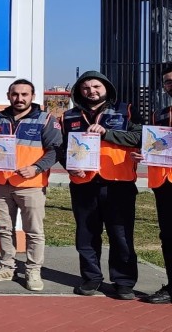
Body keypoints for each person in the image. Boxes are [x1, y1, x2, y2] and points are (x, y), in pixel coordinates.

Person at [0, 79, 62, 291]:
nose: (19, 98)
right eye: (15, 94)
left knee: (34, 231)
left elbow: (56, 150)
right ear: (8, 96)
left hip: (31, 183)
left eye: (24, 94)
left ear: (32, 96)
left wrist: (37, 168)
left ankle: (33, 270)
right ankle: (6, 267)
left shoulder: (45, 119)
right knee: (4, 229)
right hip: (0, 183)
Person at [59, 71, 141, 300]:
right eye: (86, 88)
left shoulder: (126, 110)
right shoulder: (68, 116)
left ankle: (124, 282)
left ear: (106, 88)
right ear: (79, 91)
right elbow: (61, 148)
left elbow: (140, 137)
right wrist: (69, 166)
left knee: (121, 235)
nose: (91, 91)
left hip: (119, 183)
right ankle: (91, 277)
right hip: (83, 184)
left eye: (96, 86)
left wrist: (108, 133)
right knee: (86, 235)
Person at [132, 63, 172, 304]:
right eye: (167, 81)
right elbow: (156, 146)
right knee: (167, 235)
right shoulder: (160, 114)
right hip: (163, 183)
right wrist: (145, 154)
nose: (170, 85)